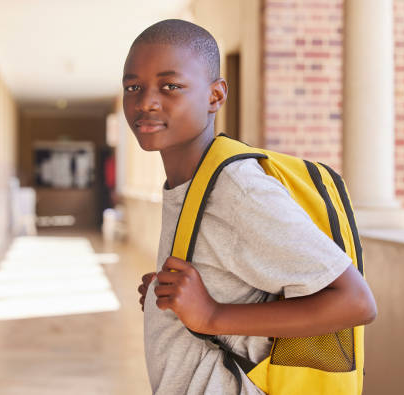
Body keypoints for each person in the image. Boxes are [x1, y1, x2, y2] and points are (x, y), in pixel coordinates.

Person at [126, 19, 377, 395]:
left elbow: (355, 302)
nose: (146, 100)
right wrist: (173, 295)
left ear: (215, 96)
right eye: (133, 86)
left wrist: (212, 315)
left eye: (171, 86)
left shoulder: (238, 190)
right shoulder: (190, 181)